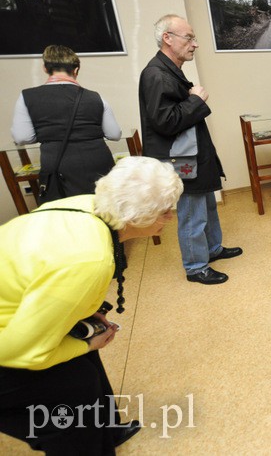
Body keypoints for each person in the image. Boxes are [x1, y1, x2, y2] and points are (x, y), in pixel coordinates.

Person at [0, 156, 182, 454]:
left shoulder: (87, 204)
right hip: (10, 343)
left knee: (84, 350)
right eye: (164, 212)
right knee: (76, 381)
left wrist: (79, 314)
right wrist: (87, 346)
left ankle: (107, 432)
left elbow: (47, 277)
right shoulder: (90, 259)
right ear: (134, 218)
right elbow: (24, 352)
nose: (171, 217)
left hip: (13, 310)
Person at [139, 14, 241, 285]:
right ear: (167, 38)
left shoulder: (170, 69)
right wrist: (195, 99)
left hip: (192, 155)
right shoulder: (156, 74)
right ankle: (196, 266)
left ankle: (212, 249)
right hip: (180, 158)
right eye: (189, 37)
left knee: (206, 204)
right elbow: (165, 121)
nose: (194, 44)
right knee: (192, 212)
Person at [11, 45, 122, 203]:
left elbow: (22, 137)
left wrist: (49, 134)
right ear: (76, 70)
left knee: (66, 211)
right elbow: (114, 134)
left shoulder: (27, 97)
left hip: (58, 163)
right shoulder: (95, 97)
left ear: (45, 68)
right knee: (104, 208)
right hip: (98, 161)